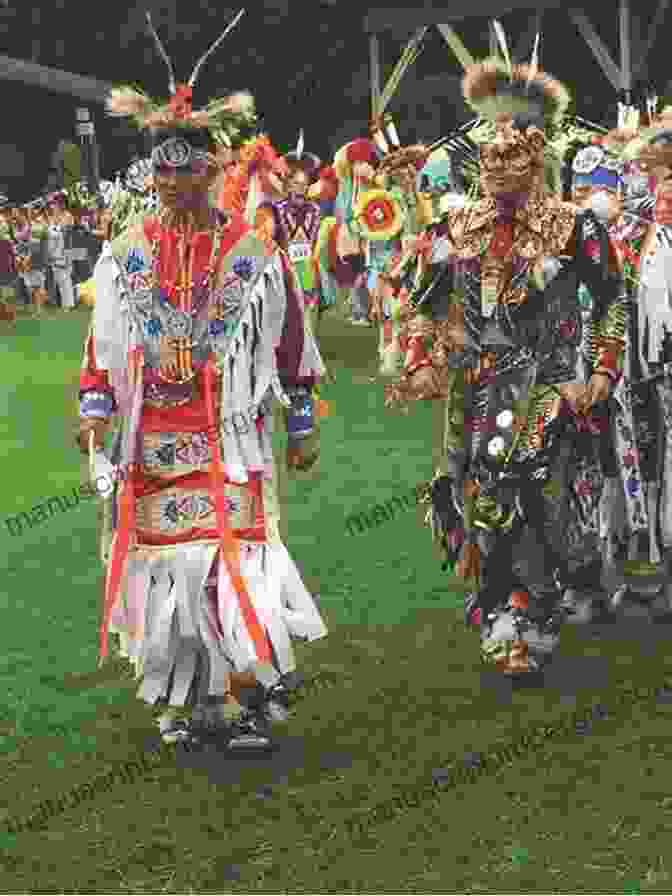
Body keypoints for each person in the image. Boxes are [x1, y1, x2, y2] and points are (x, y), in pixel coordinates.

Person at [76, 10, 327, 747]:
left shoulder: (254, 254)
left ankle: (248, 693)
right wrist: (97, 410)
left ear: (214, 168)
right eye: (166, 166)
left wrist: (303, 422)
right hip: (152, 439)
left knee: (234, 564)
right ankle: (189, 696)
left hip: (232, 439)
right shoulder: (123, 255)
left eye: (191, 166)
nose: (177, 179)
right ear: (152, 172)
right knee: (163, 575)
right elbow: (102, 350)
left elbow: (290, 347)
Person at [385, 33, 628, 677]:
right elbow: (422, 299)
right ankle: (505, 613)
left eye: (514, 141)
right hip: (479, 387)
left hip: (554, 386)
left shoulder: (578, 227)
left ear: (539, 149)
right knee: (480, 501)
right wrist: (422, 357)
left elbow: (612, 301)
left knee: (547, 506)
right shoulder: (456, 227)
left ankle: (540, 604)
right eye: (491, 142)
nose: (499, 155)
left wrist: (602, 370)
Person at [45, 194, 77, 311]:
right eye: (53, 204)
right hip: (54, 251)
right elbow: (49, 234)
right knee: (59, 278)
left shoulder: (68, 216)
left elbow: (68, 234)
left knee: (65, 277)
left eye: (55, 204)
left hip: (64, 250)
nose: (53, 206)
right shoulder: (52, 217)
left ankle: (68, 304)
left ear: (61, 204)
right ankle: (64, 302)